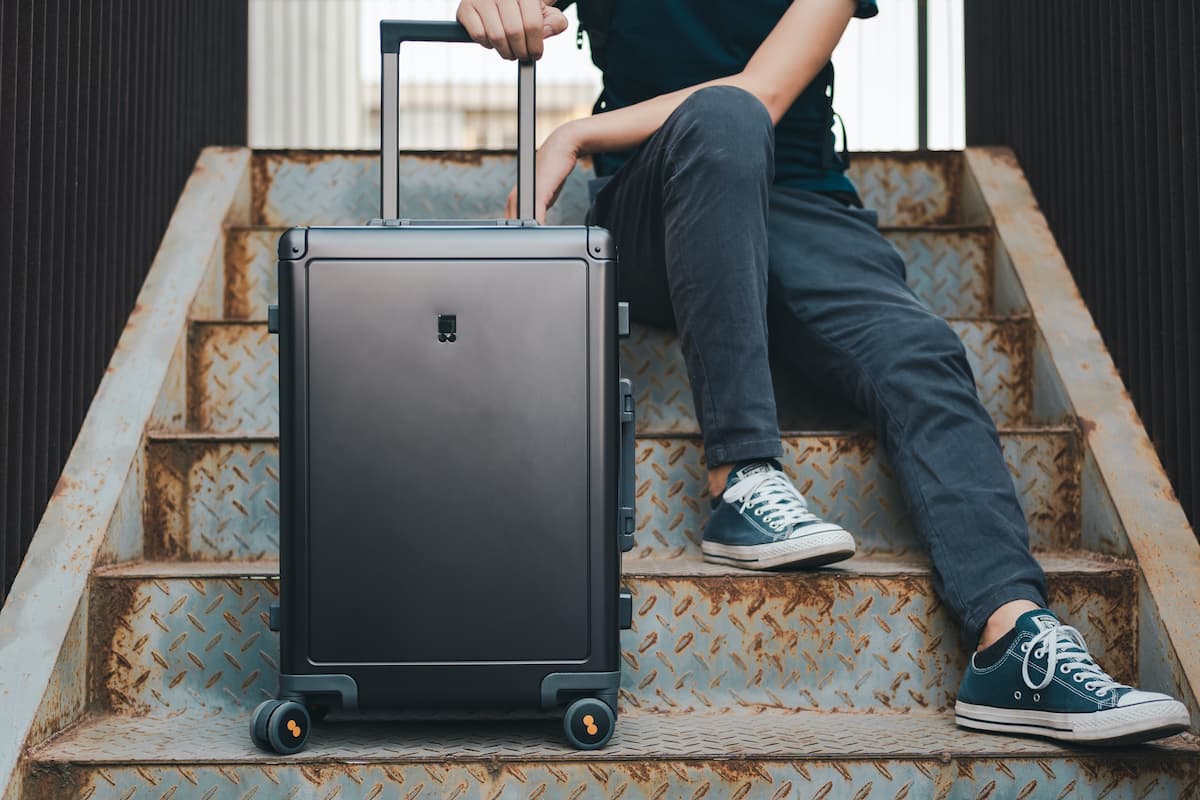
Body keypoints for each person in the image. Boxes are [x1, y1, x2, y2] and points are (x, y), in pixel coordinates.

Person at [454, 0, 1190, 745]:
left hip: (800, 204)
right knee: (718, 124)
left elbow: (760, 93)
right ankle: (740, 477)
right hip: (657, 203)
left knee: (919, 353)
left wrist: (577, 131)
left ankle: (1011, 639)